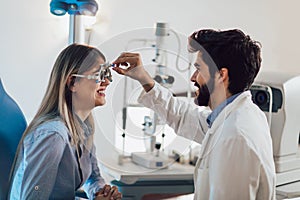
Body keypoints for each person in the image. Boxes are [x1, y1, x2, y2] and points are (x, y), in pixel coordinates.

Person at [112, 29, 276, 199]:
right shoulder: (236, 117)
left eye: (198, 69)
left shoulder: (234, 136)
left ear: (221, 75)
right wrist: (145, 80)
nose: (192, 77)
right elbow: (184, 117)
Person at [8, 44, 122, 200]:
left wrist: (101, 192)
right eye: (99, 75)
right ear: (73, 83)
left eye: (107, 74)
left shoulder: (85, 127)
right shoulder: (53, 136)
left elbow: (92, 178)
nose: (107, 81)